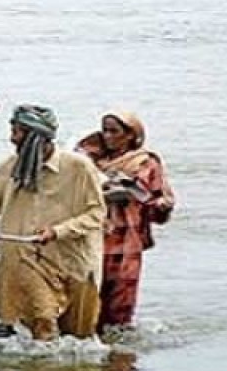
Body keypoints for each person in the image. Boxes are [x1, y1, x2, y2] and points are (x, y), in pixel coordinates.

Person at [0, 105, 105, 341]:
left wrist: (57, 231)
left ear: (38, 138)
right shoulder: (9, 167)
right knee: (42, 321)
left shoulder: (78, 168)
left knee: (78, 334)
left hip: (70, 259)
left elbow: (96, 213)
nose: (12, 139)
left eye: (19, 133)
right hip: (25, 258)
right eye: (13, 131)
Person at [75, 111, 176, 333]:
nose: (107, 136)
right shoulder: (89, 159)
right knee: (84, 301)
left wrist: (161, 205)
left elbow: (158, 198)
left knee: (120, 305)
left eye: (114, 131)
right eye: (105, 130)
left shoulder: (145, 162)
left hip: (126, 242)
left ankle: (118, 358)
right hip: (91, 237)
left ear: (131, 135)